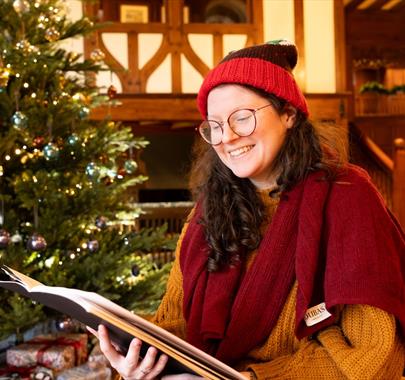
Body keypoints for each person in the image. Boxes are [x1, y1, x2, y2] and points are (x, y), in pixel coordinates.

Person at [95, 40, 405, 379]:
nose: (226, 137)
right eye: (214, 126)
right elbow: (177, 324)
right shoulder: (208, 212)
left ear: (288, 113)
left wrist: (252, 378)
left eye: (241, 118)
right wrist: (138, 359)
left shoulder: (349, 196)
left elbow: (372, 358)